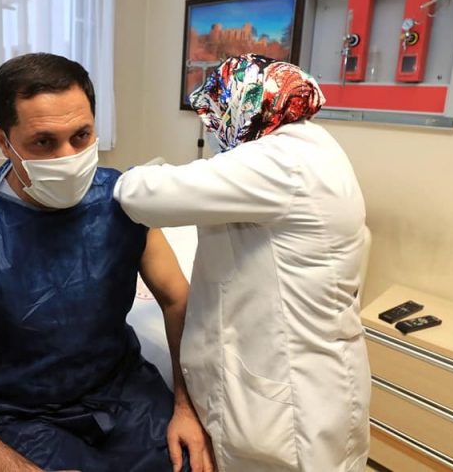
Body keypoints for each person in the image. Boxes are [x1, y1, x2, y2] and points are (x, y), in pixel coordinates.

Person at [0, 53, 214, 472]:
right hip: (17, 413)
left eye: (81, 136)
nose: (67, 157)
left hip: (123, 392)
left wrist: (186, 407)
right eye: (43, 142)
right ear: (2, 141)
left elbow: (177, 298)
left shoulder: (124, 202)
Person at [113, 53, 371, 472]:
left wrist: (111, 178)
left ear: (244, 106)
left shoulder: (279, 162)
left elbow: (142, 195)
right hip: (323, 378)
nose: (215, 131)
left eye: (215, 117)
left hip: (292, 400)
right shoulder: (315, 147)